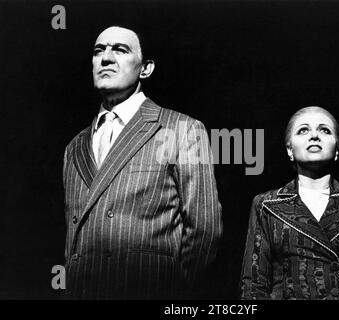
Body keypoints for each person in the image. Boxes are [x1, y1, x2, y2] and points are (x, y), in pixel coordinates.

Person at [62, 26, 222, 299]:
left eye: (120, 50)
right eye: (98, 51)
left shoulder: (181, 129)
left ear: (146, 69)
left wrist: (170, 286)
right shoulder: (74, 146)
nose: (106, 58)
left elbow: (204, 228)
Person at [240, 106, 339, 300]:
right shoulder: (266, 205)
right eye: (303, 130)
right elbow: (254, 284)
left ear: (336, 149)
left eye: (324, 130)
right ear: (289, 149)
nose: (314, 136)